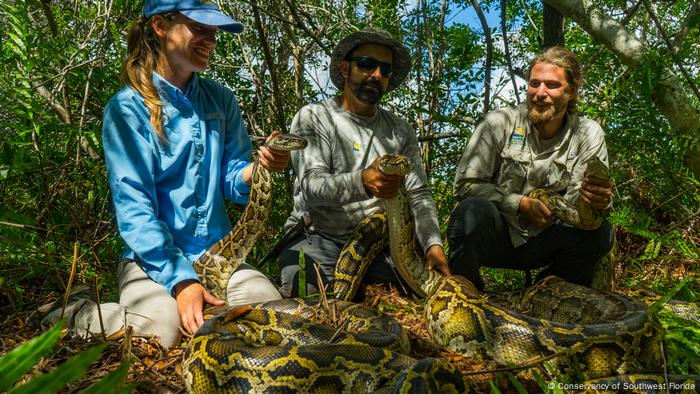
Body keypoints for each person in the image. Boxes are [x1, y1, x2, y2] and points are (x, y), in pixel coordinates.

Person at [36, 0, 290, 348]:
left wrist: (258, 169)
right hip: (152, 261)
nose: (211, 40)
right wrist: (183, 282)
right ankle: (72, 311)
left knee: (275, 317)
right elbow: (134, 209)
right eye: (200, 28)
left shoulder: (221, 100)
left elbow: (232, 179)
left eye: (214, 32)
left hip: (219, 254)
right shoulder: (127, 109)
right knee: (158, 332)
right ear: (160, 26)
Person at [277, 27, 450, 298]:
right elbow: (311, 185)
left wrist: (432, 244)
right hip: (318, 236)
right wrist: (363, 182)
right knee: (303, 291)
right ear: (346, 68)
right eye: (367, 64)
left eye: (385, 69)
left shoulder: (400, 130)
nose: (376, 74)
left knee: (424, 293)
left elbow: (418, 193)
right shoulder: (314, 117)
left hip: (380, 241)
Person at [447, 46, 614, 291]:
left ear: (573, 90)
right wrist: (521, 204)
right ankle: (463, 290)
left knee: (600, 234)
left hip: (547, 242)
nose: (540, 93)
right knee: (471, 211)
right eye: (534, 83)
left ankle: (549, 291)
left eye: (552, 85)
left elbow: (584, 209)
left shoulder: (588, 134)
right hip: (498, 237)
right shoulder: (498, 123)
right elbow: (464, 185)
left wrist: (599, 201)